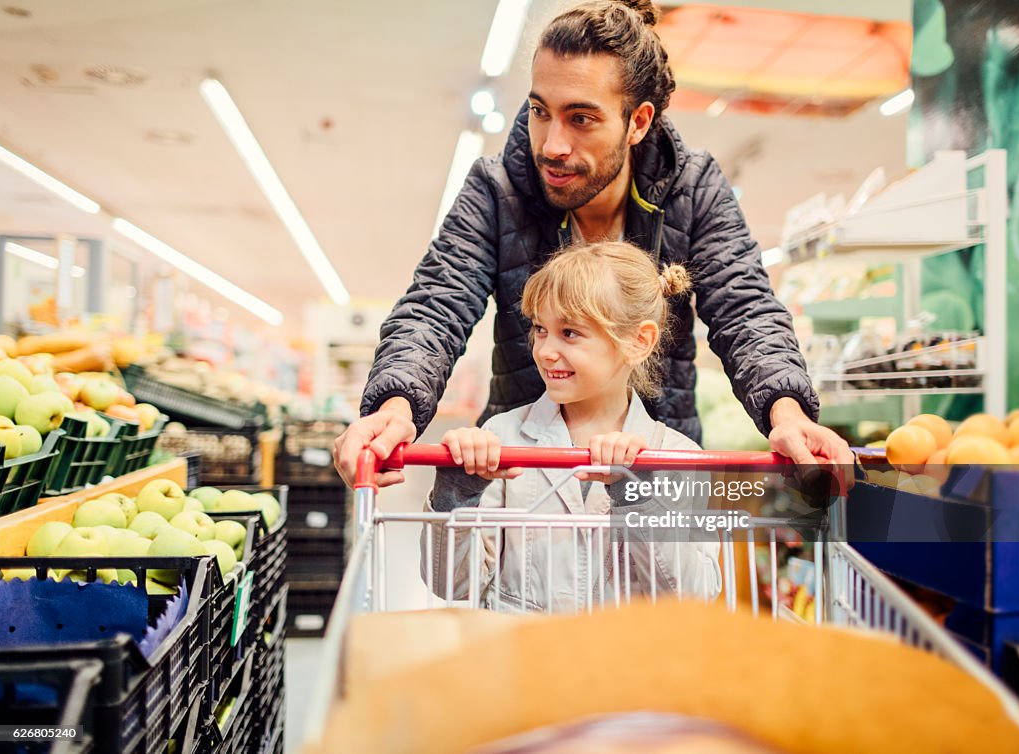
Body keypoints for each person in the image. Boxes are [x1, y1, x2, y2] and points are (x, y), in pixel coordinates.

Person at [334, 0, 853, 488]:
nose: (553, 145)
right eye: (541, 111)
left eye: (581, 118)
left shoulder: (694, 189)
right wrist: (393, 408)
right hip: (521, 473)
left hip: (652, 468)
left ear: (638, 122)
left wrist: (785, 411)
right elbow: (435, 305)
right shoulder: (498, 190)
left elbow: (746, 308)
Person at [422, 241, 722, 611]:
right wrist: (457, 496)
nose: (545, 351)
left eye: (570, 333)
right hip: (520, 662)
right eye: (540, 329)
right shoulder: (503, 438)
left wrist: (639, 499)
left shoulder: (677, 456)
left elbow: (692, 596)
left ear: (638, 342)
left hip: (626, 666)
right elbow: (452, 586)